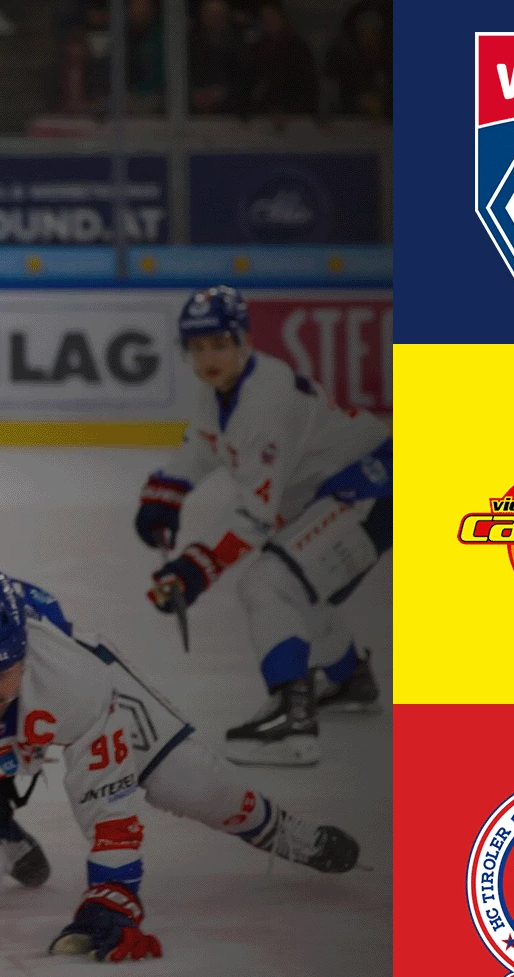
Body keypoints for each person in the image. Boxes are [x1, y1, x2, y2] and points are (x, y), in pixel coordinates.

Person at [0, 570, 360, 962]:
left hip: (66, 708)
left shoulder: (76, 675)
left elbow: (107, 792)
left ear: (25, 655)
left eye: (0, 673)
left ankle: (289, 833)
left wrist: (114, 893)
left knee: (194, 784)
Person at [137, 286, 390, 766]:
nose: (208, 358)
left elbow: (255, 516)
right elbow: (203, 445)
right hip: (345, 491)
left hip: (369, 490)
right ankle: (347, 678)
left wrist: (194, 570)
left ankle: (292, 722)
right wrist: (164, 494)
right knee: (299, 585)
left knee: (270, 584)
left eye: (219, 344)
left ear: (244, 341)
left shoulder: (265, 402)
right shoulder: (225, 390)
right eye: (197, 347)